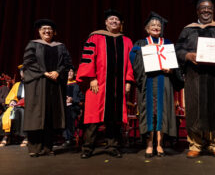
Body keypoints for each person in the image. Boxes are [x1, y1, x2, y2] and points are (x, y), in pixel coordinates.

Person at [175, 0, 215, 158]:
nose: (206, 11)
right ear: (197, 11)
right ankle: (195, 144)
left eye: (209, 8)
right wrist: (187, 56)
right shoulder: (188, 30)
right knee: (194, 109)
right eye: (202, 8)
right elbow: (178, 49)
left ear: (213, 10)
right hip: (195, 76)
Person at [76, 9, 134, 159]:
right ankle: (87, 147)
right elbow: (88, 58)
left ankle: (112, 146)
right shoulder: (95, 38)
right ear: (105, 22)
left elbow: (130, 64)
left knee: (114, 119)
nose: (114, 21)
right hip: (98, 84)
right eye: (111, 19)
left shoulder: (126, 41)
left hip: (118, 86)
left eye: (117, 19)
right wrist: (91, 78)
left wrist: (128, 81)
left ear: (121, 23)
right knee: (93, 118)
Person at [130, 12, 178, 158]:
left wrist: (171, 69)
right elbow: (134, 62)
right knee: (149, 112)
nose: (156, 27)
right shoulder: (140, 44)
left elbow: (175, 65)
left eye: (159, 25)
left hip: (164, 82)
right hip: (147, 82)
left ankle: (159, 144)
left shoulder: (168, 44)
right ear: (147, 28)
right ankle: (149, 145)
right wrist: (145, 65)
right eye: (153, 25)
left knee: (162, 113)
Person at [23, 19, 72, 157]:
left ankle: (48, 147)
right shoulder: (33, 45)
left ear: (54, 32)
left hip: (55, 86)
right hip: (38, 85)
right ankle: (34, 148)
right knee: (36, 115)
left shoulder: (61, 46)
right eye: (44, 28)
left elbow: (67, 63)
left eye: (49, 29)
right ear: (39, 31)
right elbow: (28, 62)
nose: (47, 31)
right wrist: (44, 72)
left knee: (51, 115)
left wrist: (58, 71)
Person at [0, 65, 27, 147]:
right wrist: (12, 101)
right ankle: (7, 136)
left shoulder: (33, 84)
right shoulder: (17, 85)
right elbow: (11, 96)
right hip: (18, 105)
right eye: (22, 72)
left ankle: (26, 137)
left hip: (28, 106)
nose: (23, 73)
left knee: (21, 112)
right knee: (4, 115)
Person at [63, 67, 84, 147]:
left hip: (74, 106)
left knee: (69, 112)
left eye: (71, 71)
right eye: (68, 71)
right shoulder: (62, 85)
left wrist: (72, 100)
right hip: (63, 106)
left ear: (74, 73)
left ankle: (69, 138)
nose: (69, 73)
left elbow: (82, 97)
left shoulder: (78, 85)